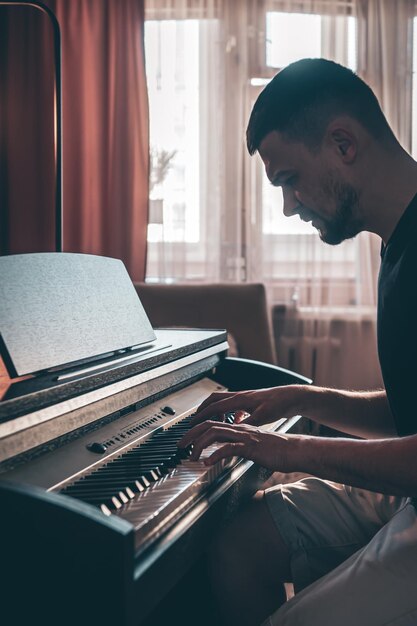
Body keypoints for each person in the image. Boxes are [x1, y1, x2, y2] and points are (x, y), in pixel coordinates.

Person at [178, 58, 417, 626]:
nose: (288, 206)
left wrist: (283, 449)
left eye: (288, 179)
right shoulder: (397, 243)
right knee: (239, 544)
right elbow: (409, 412)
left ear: (343, 144)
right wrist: (301, 399)